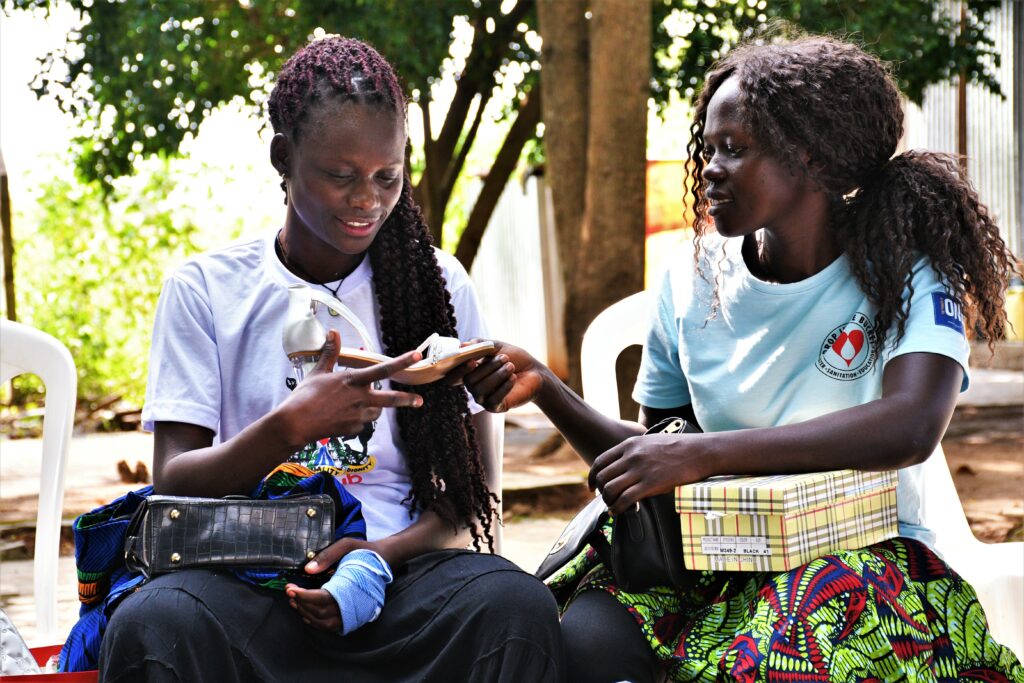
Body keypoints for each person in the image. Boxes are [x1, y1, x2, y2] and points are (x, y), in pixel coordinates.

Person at [461, 35, 1024, 683]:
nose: (710, 167)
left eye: (734, 148)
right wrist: (545, 387)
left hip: (864, 561)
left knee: (775, 656)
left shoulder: (908, 271)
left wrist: (707, 453)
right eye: (709, 147)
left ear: (811, 155)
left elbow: (910, 426)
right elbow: (660, 453)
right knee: (581, 640)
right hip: (709, 565)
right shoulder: (689, 279)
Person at [98, 36, 563, 683]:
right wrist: (288, 426)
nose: (367, 199)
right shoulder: (206, 289)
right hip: (248, 577)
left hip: (398, 577)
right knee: (154, 625)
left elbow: (471, 498)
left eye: (387, 176)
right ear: (283, 158)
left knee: (516, 606)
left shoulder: (439, 287)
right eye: (340, 175)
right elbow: (172, 482)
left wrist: (373, 558)